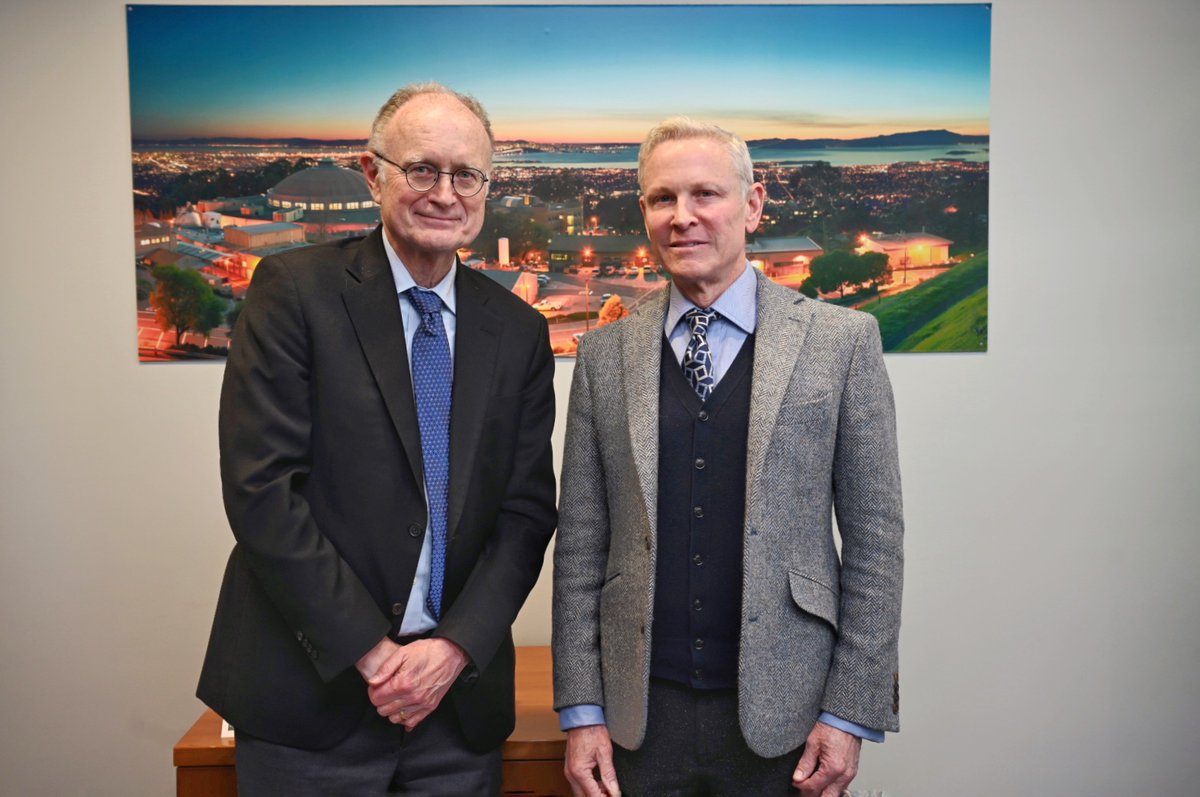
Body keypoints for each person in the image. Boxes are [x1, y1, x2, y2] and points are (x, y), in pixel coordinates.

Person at [197, 82, 557, 795]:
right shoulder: (293, 291)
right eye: (422, 169)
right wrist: (373, 653)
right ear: (373, 173)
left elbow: (525, 514)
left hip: (455, 711)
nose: (445, 194)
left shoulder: (517, 330)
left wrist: (452, 650)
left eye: (467, 175)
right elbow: (262, 491)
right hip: (310, 701)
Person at [552, 117, 903, 797]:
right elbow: (582, 545)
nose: (681, 217)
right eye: (662, 198)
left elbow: (876, 541)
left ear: (753, 204)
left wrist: (849, 711)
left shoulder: (842, 342)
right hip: (635, 719)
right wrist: (582, 710)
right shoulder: (603, 355)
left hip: (789, 714)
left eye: (705, 194)